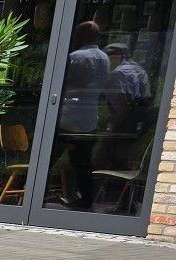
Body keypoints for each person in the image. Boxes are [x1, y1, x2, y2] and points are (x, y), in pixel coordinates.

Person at [58, 21, 110, 209]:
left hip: (70, 113)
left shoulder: (76, 56)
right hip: (90, 113)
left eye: (78, 34)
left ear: (82, 36)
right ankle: (85, 198)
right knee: (83, 159)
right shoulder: (104, 58)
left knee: (49, 153)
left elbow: (63, 83)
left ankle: (30, 190)